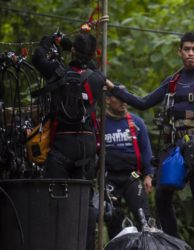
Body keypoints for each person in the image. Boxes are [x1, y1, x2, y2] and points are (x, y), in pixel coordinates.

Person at [110, 32, 194, 250]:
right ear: (179, 52)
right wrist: (115, 90)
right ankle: (176, 245)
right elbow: (144, 103)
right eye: (187, 49)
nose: (191, 53)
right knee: (163, 198)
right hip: (173, 149)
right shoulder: (173, 81)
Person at [32, 31, 115, 250]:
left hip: (62, 145)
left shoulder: (57, 72)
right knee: (84, 204)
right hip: (87, 146)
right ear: (92, 54)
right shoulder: (97, 78)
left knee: (54, 200)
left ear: (73, 51)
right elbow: (100, 76)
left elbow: (37, 57)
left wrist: (49, 39)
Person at [104, 93, 154, 238]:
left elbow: (146, 151)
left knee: (143, 218)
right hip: (109, 178)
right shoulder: (100, 123)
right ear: (108, 99)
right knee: (113, 218)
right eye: (119, 98)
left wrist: (149, 175)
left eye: (126, 99)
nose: (123, 102)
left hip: (132, 176)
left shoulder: (137, 122)